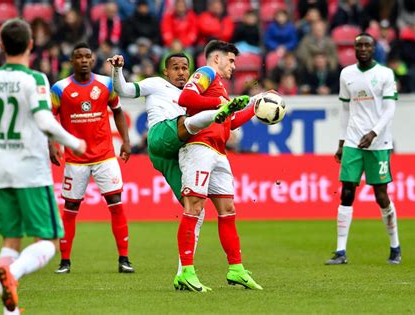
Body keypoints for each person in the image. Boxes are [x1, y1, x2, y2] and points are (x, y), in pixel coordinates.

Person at [108, 52, 249, 289]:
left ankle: (184, 273)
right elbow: (123, 90)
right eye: (175, 68)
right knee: (187, 123)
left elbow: (229, 123)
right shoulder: (156, 84)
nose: (181, 72)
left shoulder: (196, 95)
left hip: (177, 152)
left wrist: (252, 107)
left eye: (185, 68)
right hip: (161, 136)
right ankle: (217, 113)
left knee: (194, 209)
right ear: (166, 72)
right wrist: (117, 69)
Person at [0, 18, 86, 313]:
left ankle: (9, 311)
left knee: (10, 241)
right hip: (32, 172)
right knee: (50, 241)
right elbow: (43, 120)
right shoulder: (35, 79)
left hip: (1, 173)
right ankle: (13, 274)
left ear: (0, 47)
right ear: (30, 45)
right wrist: (73, 142)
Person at [176, 40, 262, 291]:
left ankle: (236, 269)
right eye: (231, 60)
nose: (235, 66)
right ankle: (186, 272)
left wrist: (256, 106)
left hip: (219, 151)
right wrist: (218, 104)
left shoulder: (220, 88)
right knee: (194, 207)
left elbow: (230, 122)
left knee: (227, 209)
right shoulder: (206, 73)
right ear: (216, 58)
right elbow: (186, 97)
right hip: (199, 147)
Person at [50, 42, 134, 274]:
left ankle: (124, 259)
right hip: (75, 159)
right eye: (79, 57)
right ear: (72, 62)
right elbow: (49, 118)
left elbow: (117, 110)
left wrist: (125, 141)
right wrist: (52, 144)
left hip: (105, 156)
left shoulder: (106, 84)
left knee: (116, 204)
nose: (84, 60)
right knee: (70, 207)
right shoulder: (60, 88)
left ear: (93, 60)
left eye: (88, 56)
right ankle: (65, 261)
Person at [326, 33, 401, 266]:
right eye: (359, 45)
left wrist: (373, 133)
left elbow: (390, 110)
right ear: (354, 49)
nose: (363, 48)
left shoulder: (385, 74)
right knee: (347, 192)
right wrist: (341, 142)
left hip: (378, 143)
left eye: (367, 45)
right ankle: (340, 251)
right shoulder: (346, 74)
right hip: (352, 141)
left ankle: (395, 246)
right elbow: (345, 110)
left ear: (374, 48)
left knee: (381, 196)